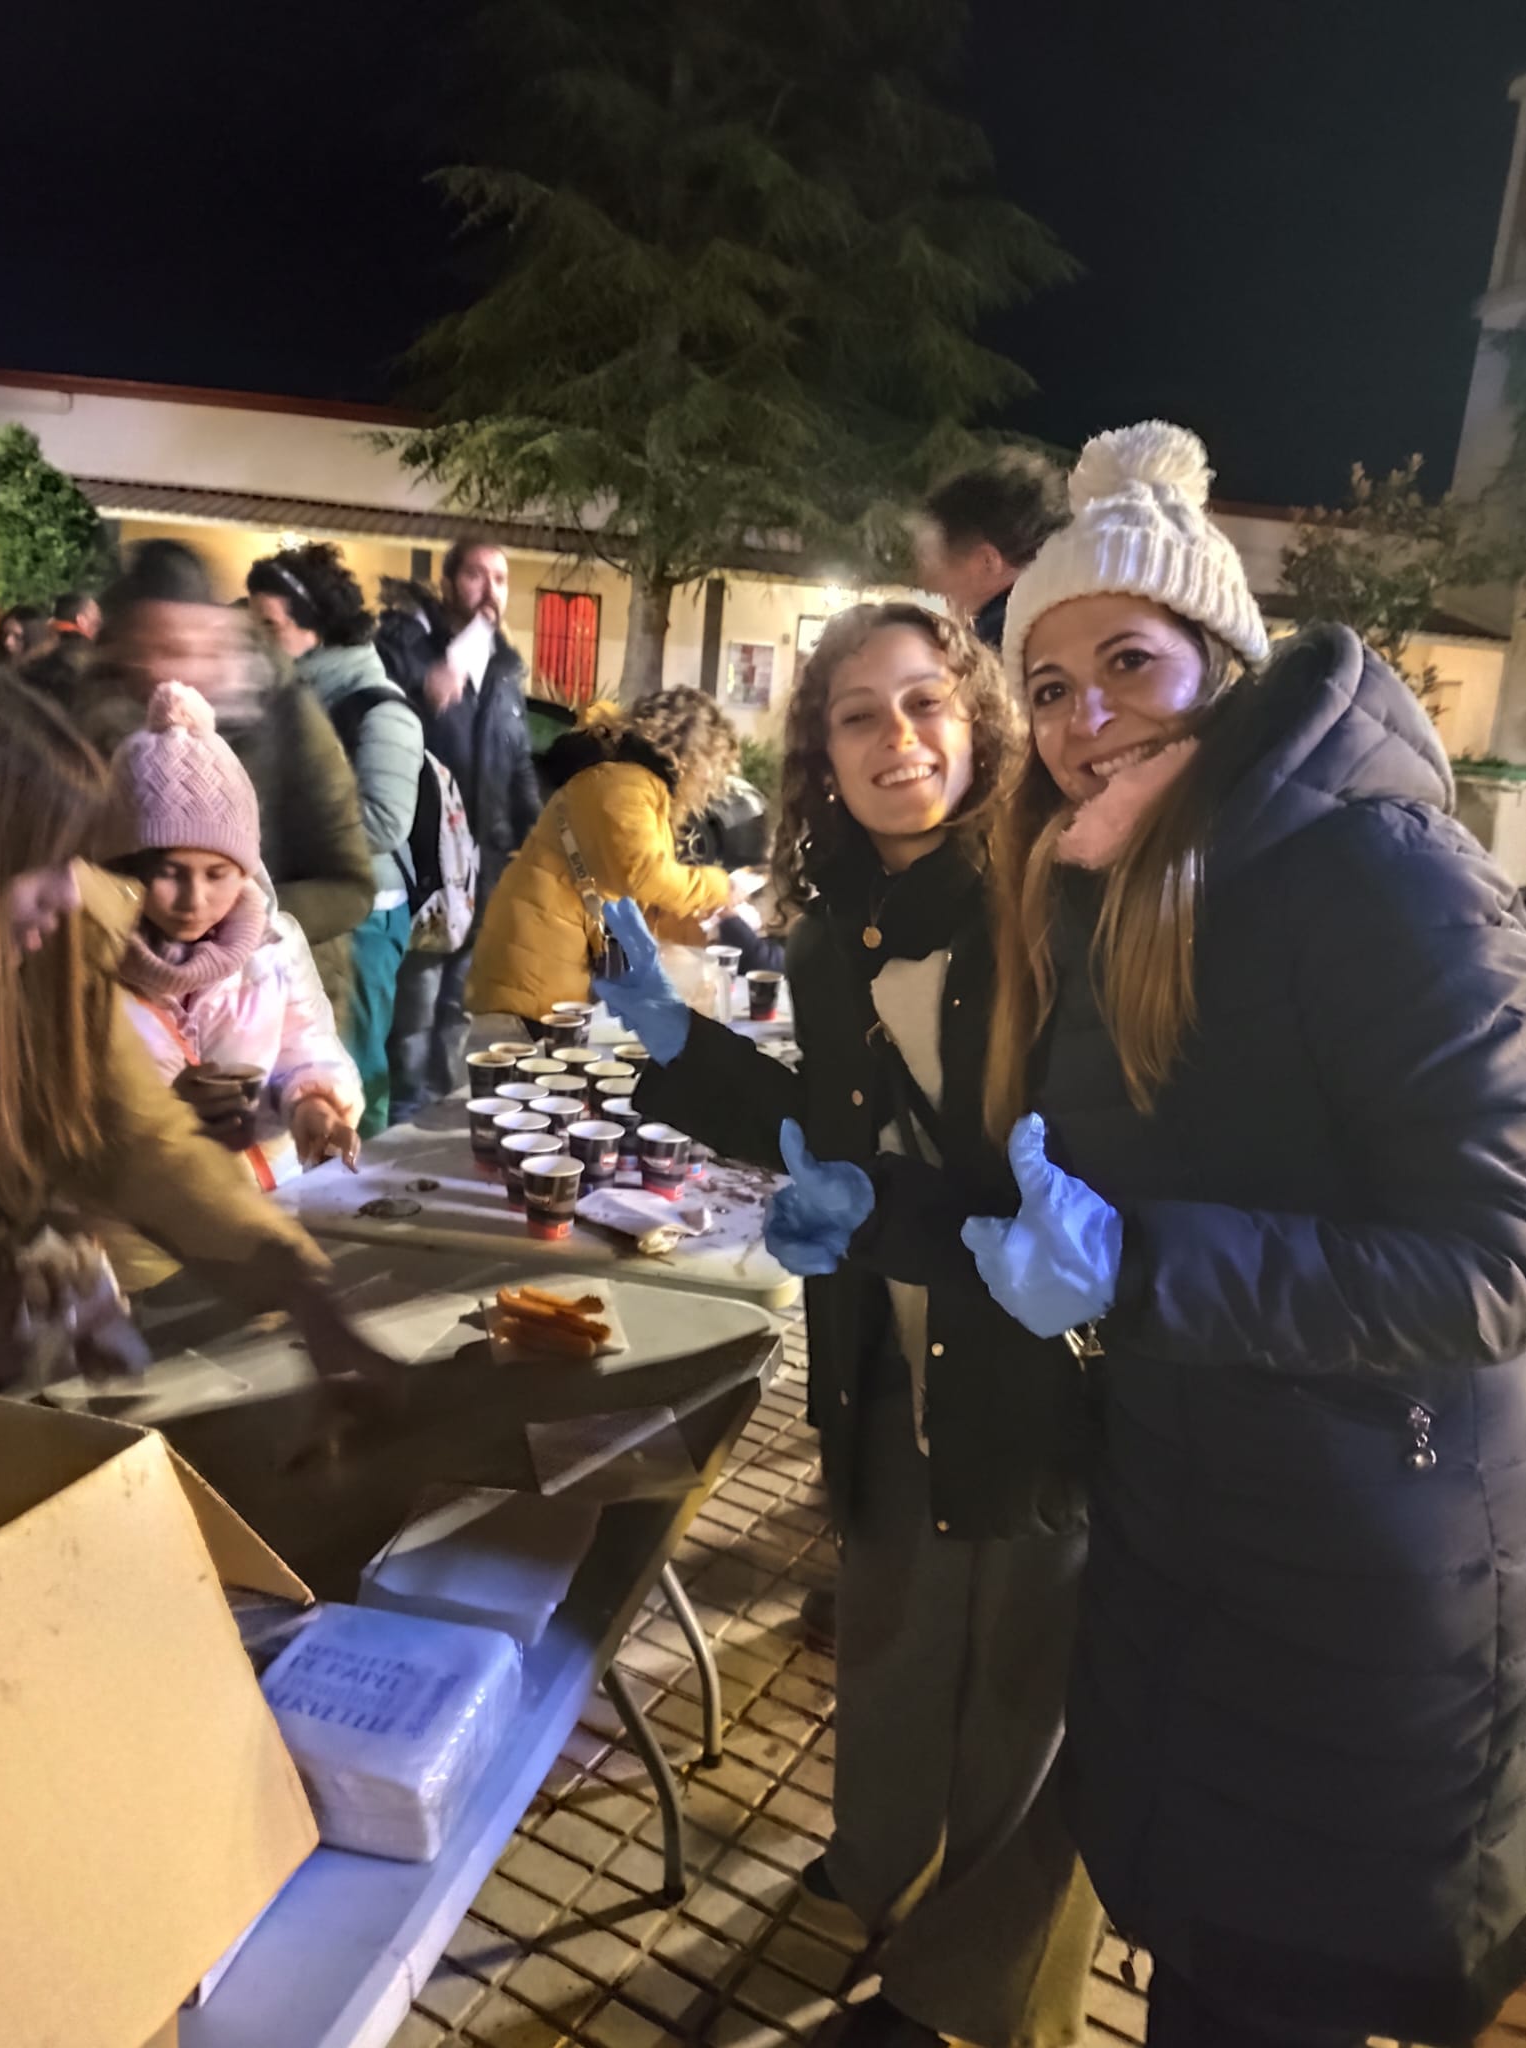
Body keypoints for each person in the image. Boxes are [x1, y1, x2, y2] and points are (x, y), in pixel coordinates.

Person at [956, 420, 1526, 2048]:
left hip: (1359, 1585)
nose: (1079, 723)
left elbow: (1495, 1254)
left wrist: (1140, 1269)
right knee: (1209, 1972)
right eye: (1048, 687)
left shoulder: (1376, 872)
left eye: (1124, 663)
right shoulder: (1120, 882)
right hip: (1200, 1544)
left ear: (1222, 659)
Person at [599, 609, 1102, 2048]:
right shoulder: (831, 938)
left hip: (1029, 1364)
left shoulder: (1044, 909)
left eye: (927, 704)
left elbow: (1041, 1185)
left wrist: (875, 1206)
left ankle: (975, 2002)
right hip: (879, 1348)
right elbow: (819, 1138)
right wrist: (681, 1050)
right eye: (860, 716)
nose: (900, 741)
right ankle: (881, 1882)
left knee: (1022, 1683)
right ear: (816, 750)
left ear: (982, 720)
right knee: (888, 1629)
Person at [0, 679, 392, 1392]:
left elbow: (138, 1137)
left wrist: (296, 1282)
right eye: (38, 867)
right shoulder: (84, 946)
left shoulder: (50, 953)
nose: (66, 893)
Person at [73, 540, 374, 1019]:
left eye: (196, 647)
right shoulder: (84, 729)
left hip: (272, 1012)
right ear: (124, 651)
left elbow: (350, 886)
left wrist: (228, 916)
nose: (179, 669)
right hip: (126, 1009)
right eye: (159, 649)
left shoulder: (283, 715)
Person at [103, 680, 362, 1215]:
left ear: (246, 870)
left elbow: (304, 1048)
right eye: (168, 873)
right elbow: (59, 1118)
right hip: (149, 1228)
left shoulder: (273, 947)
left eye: (218, 873)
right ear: (123, 866)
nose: (194, 900)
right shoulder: (87, 963)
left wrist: (312, 1104)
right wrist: (165, 1115)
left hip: (274, 1201)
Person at [247, 544, 423, 1136]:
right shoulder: (278, 701)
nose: (257, 639)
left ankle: (360, 1199)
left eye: (268, 625)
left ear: (314, 626)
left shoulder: (377, 708)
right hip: (299, 904)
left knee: (354, 1067)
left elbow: (383, 821)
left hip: (367, 913)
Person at [466, 690, 742, 1030]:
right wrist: (719, 887)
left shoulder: (632, 782)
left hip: (551, 948)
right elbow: (643, 874)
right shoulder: (625, 784)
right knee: (534, 1069)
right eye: (712, 769)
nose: (709, 784)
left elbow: (636, 895)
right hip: (538, 956)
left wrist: (698, 924)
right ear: (694, 757)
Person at [379, 538, 541, 1112]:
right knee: (417, 1000)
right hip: (425, 859)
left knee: (459, 1003)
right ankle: (400, 1112)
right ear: (449, 582)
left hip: (486, 865)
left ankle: (441, 1106)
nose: (490, 590)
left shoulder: (501, 666)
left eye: (500, 578)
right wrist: (428, 688)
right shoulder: (407, 647)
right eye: (476, 575)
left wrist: (537, 838)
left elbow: (517, 759)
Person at [915, 450, 1068, 651]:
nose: (920, 585)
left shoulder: (999, 655)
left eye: (928, 564)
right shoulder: (1073, 625)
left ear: (987, 563)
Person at [0, 603, 56, 667]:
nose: (7, 642)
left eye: (18, 637)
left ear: (34, 637)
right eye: (4, 634)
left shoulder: (50, 671)